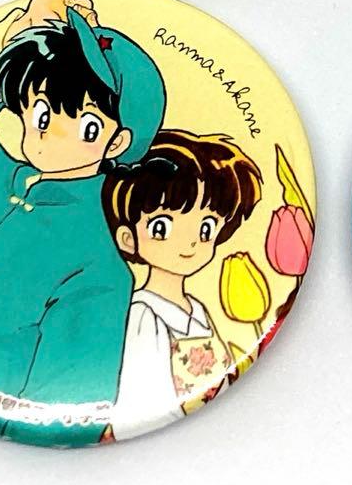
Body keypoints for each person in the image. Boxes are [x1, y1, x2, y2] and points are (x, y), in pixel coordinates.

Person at [0, 0, 166, 446]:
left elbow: (68, 401)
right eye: (41, 111)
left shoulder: (99, 259)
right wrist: (13, 31)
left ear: (117, 143)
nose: (48, 134)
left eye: (84, 125)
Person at [101, 131, 262, 439]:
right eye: (162, 226)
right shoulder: (144, 314)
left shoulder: (197, 309)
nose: (190, 242)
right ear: (127, 238)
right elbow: (143, 398)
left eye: (206, 227)